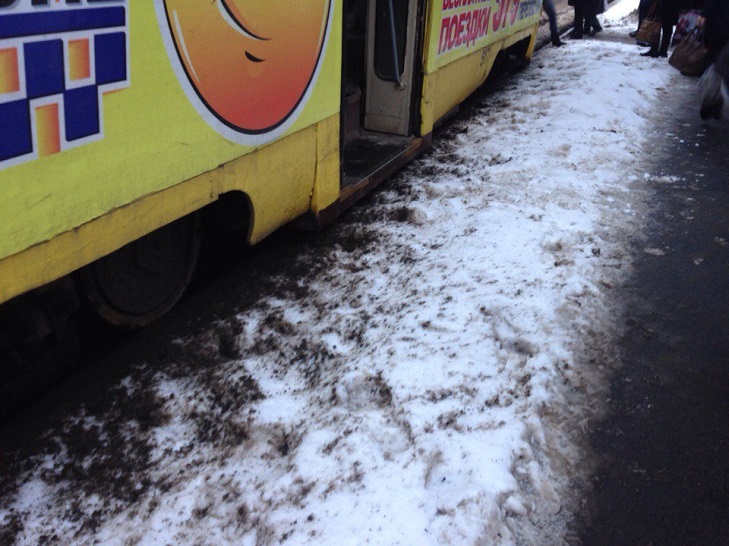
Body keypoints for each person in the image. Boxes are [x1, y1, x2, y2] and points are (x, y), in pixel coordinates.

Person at [697, 0, 729, 118]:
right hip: (721, 27)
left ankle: (712, 101)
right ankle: (714, 101)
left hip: (720, 26)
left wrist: (704, 14)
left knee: (716, 64)